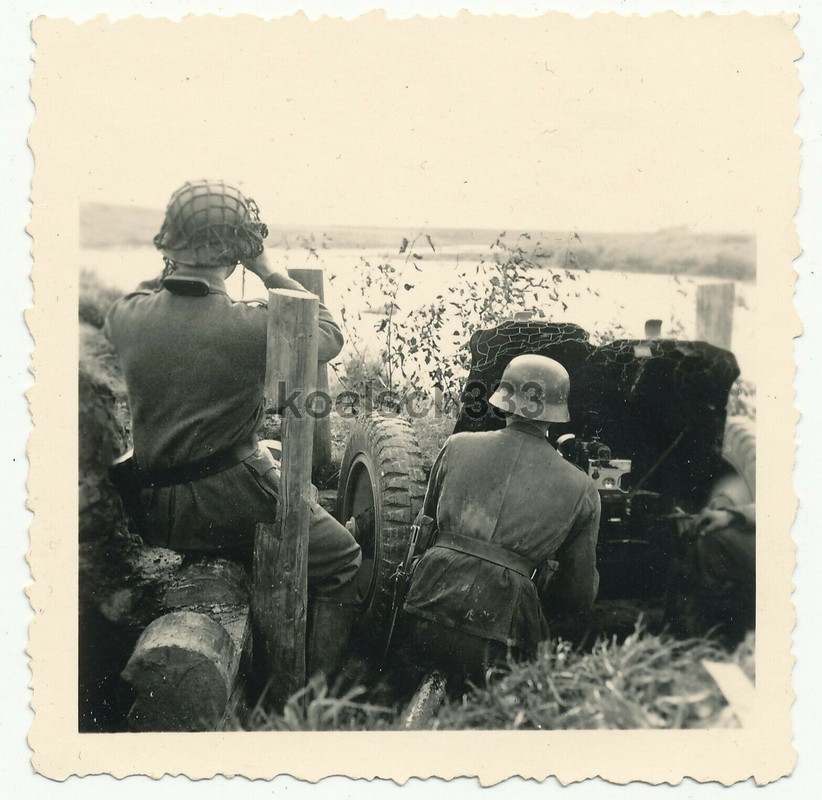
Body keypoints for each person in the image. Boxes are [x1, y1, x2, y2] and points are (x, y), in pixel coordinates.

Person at [104, 180, 363, 678]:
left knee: (258, 449)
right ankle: (321, 690)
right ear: (236, 253)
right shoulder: (245, 326)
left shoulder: (129, 314)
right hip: (223, 501)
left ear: (171, 246)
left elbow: (154, 294)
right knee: (344, 560)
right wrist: (267, 267)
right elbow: (326, 335)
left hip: (156, 509)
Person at [397, 354, 601, 680]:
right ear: (557, 413)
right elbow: (576, 596)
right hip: (506, 622)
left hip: (428, 597)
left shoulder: (456, 446)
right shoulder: (582, 488)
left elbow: (424, 529)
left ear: (504, 402)